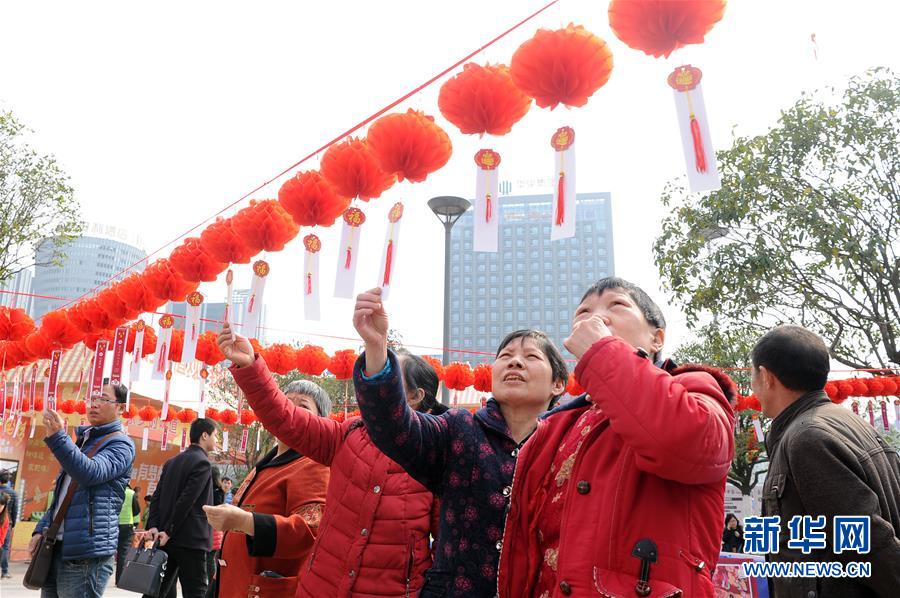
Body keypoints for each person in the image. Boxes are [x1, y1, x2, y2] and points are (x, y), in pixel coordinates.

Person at [498, 277, 737, 597]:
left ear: (656, 338)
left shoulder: (692, 387)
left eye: (617, 305)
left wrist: (603, 351)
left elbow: (693, 445)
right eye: (583, 313)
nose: (596, 318)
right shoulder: (558, 426)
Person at [350, 287, 569, 597]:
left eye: (531, 356)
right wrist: (376, 347)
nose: (515, 363)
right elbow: (394, 426)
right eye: (505, 356)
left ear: (558, 383)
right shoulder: (459, 428)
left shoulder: (570, 445)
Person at [218, 322, 445, 597]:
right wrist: (250, 366)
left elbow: (447, 546)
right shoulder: (348, 435)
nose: (377, 381)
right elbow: (284, 417)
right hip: (322, 589)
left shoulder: (436, 455)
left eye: (390, 375)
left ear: (415, 396)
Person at [751, 325, 900, 597]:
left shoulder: (808, 438)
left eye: (753, 376)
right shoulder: (845, 422)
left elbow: (871, 545)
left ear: (766, 376)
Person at [203, 380, 331, 597]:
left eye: (303, 406)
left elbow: (309, 531)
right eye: (286, 403)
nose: (290, 411)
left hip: (264, 588)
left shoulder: (314, 464)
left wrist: (244, 521)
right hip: (233, 581)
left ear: (321, 421)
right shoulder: (264, 465)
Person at [28, 380, 136, 598]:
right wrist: (41, 529)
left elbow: (90, 473)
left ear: (121, 408)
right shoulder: (83, 442)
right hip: (56, 546)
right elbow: (63, 497)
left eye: (103, 399)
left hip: (86, 554)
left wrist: (59, 437)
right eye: (92, 398)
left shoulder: (121, 444)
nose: (94, 404)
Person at [143, 418, 218, 598]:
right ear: (204, 435)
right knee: (195, 592)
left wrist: (154, 526)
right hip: (190, 540)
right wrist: (169, 530)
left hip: (165, 538)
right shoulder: (203, 463)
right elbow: (187, 500)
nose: (217, 441)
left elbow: (156, 497)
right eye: (216, 436)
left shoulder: (172, 461)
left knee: (155, 591)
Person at [115, 483, 142, 583]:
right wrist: (136, 524)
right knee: (123, 553)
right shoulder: (131, 493)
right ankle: (119, 580)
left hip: (112, 525)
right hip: (126, 527)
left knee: (107, 552)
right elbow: (136, 511)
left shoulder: (114, 490)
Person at [0, 469, 18, 579]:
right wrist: (13, 523)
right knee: (5, 547)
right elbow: (15, 511)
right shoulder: (13, 493)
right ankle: (5, 571)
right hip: (7, 522)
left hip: (6, 522)